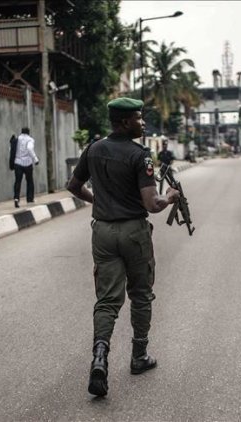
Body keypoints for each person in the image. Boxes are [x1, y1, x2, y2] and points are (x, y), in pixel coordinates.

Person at [67, 97, 180, 398]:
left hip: (102, 232)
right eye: (139, 118)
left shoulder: (92, 149)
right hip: (133, 232)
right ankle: (139, 356)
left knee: (106, 300)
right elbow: (152, 204)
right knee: (141, 293)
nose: (143, 123)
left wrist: (100, 203)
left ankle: (100, 357)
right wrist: (169, 196)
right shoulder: (139, 155)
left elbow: (73, 187)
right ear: (125, 121)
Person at [9, 127, 39, 208]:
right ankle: (30, 198)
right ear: (28, 132)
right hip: (28, 163)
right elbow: (29, 148)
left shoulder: (17, 139)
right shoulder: (30, 140)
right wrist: (35, 159)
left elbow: (12, 150)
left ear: (21, 132)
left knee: (18, 181)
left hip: (18, 163)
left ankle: (16, 198)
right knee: (29, 181)